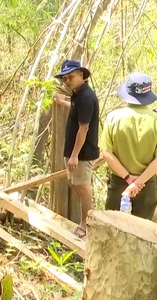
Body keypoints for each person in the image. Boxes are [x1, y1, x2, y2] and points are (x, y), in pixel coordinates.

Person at [99, 72, 157, 220]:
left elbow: (106, 153)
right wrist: (138, 182)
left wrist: (128, 179)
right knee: (142, 232)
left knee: (113, 228)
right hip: (145, 186)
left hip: (119, 183)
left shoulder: (113, 118)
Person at [52, 59, 100, 238]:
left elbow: (84, 128)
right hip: (75, 151)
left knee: (82, 187)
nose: (67, 81)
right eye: (64, 79)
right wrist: (63, 101)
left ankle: (86, 225)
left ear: (81, 74)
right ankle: (85, 221)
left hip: (82, 152)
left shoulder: (86, 97)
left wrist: (74, 156)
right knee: (75, 183)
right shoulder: (78, 94)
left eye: (70, 77)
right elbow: (76, 110)